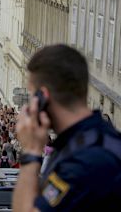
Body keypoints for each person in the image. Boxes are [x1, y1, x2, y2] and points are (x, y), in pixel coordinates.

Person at [13, 45, 121, 212]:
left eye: (32, 95)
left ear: (43, 97)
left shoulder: (83, 161)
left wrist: (30, 152)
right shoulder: (102, 138)